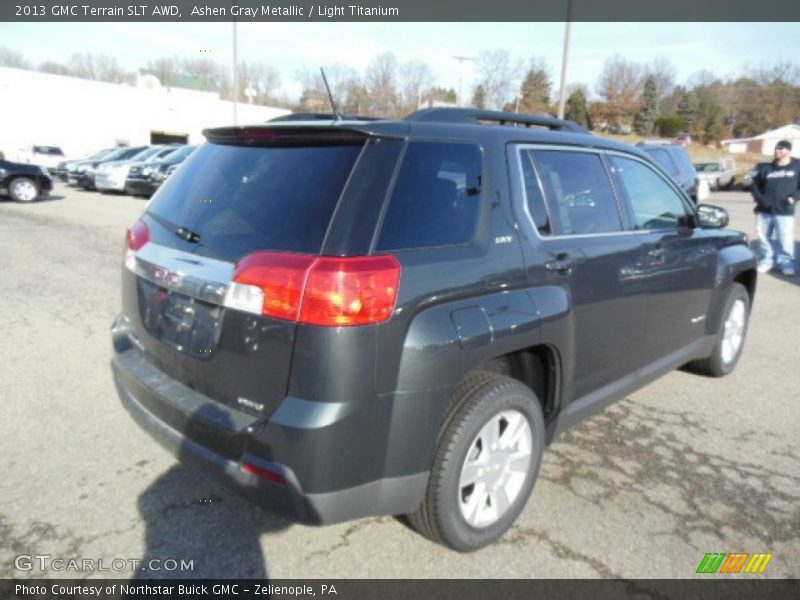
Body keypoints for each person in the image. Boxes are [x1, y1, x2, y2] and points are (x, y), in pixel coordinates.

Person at [751, 139, 800, 276]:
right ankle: (767, 260)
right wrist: (760, 199)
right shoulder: (765, 167)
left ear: (789, 151)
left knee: (785, 238)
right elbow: (754, 184)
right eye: (776, 149)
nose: (777, 151)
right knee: (763, 238)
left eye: (781, 149)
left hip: (784, 210)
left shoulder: (797, 166)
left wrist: (793, 198)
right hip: (764, 210)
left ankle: (787, 263)